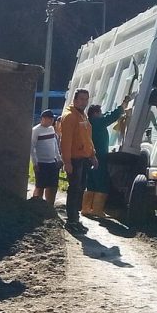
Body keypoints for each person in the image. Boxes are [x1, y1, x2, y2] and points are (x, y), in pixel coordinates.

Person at [82, 96, 131, 218]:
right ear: (96, 113)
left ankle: (86, 208)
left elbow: (107, 115)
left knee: (91, 183)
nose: (102, 114)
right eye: (101, 112)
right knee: (102, 183)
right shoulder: (98, 122)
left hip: (88, 157)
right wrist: (122, 106)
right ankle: (97, 210)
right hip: (99, 157)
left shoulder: (89, 123)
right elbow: (111, 117)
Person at [58, 88, 96, 233]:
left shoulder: (82, 116)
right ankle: (71, 221)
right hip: (74, 160)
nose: (84, 102)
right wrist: (67, 162)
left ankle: (76, 219)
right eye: (81, 99)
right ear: (74, 100)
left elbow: (87, 138)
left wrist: (93, 154)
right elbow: (65, 142)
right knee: (74, 190)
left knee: (80, 190)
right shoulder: (70, 117)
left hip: (84, 158)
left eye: (86, 99)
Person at [29, 109, 61, 206]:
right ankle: (37, 205)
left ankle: (49, 205)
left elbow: (55, 144)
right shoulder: (36, 130)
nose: (51, 121)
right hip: (41, 163)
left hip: (52, 162)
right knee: (40, 185)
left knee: (52, 186)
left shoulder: (51, 129)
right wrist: (35, 162)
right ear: (43, 119)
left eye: (52, 119)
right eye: (49, 119)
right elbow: (32, 147)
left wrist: (59, 158)